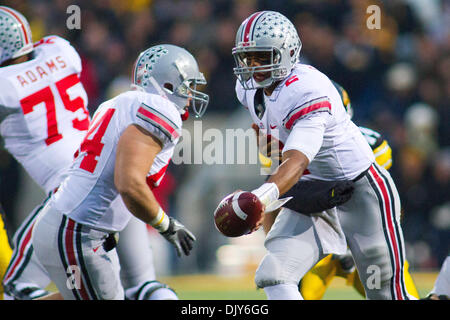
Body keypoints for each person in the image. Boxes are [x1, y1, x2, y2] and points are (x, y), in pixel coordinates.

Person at [227, 10, 415, 299]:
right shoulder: (249, 87)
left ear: (288, 53)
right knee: (274, 275)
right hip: (311, 193)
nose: (253, 67)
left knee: (385, 293)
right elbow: (271, 141)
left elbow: (297, 159)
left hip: (359, 191)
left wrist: (260, 198)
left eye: (262, 57)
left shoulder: (306, 90)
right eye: (247, 58)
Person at [0, 6, 178, 300]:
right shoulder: (60, 50)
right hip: (115, 180)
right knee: (145, 288)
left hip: (69, 198)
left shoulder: (5, 87)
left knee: (16, 292)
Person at [31, 43, 208, 300]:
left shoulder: (119, 103)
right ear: (167, 84)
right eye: (187, 86)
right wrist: (166, 225)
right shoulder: (160, 109)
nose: (190, 96)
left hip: (70, 226)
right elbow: (129, 184)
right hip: (78, 232)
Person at [257, 81, 419, 299]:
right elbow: (276, 205)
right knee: (287, 285)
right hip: (318, 245)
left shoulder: (368, 145)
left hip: (363, 242)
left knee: (391, 293)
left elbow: (387, 207)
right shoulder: (281, 148)